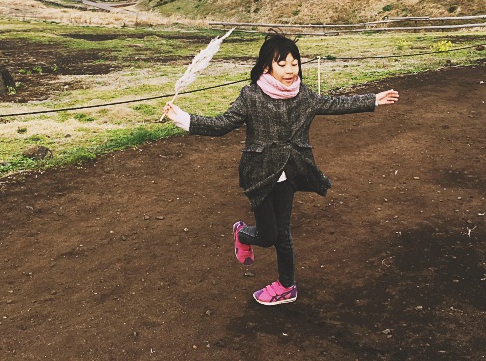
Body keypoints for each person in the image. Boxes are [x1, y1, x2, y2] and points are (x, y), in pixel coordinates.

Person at [162, 33, 399, 306]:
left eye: (294, 64)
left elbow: (334, 104)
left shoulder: (304, 96)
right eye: (282, 64)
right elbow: (222, 124)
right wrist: (181, 117)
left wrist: (373, 100)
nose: (290, 70)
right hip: (260, 175)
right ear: (267, 67)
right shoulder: (251, 96)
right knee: (268, 235)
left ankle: (287, 286)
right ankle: (242, 233)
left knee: (283, 234)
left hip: (290, 172)